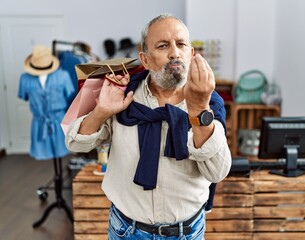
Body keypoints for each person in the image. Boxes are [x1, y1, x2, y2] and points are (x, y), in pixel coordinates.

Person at [66, 13, 232, 239]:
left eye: (181, 44)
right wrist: (101, 111)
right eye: (163, 46)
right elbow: (75, 143)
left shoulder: (209, 102)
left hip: (188, 232)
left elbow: (217, 172)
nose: (174, 52)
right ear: (145, 60)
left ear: (191, 54)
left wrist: (199, 108)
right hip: (126, 230)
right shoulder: (121, 93)